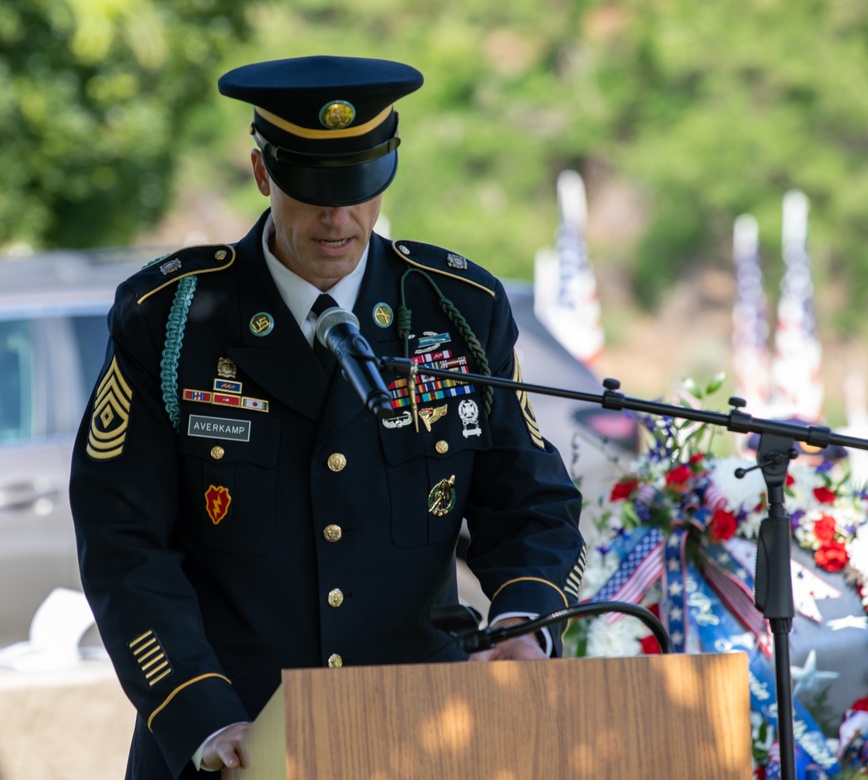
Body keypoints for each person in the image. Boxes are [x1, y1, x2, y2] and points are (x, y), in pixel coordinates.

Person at [70, 55, 586, 779]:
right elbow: (123, 543)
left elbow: (531, 502)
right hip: (233, 737)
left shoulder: (455, 310)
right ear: (261, 172)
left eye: (357, 188)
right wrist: (198, 706)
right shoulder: (172, 320)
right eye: (312, 189)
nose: (337, 218)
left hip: (419, 733)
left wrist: (521, 622)